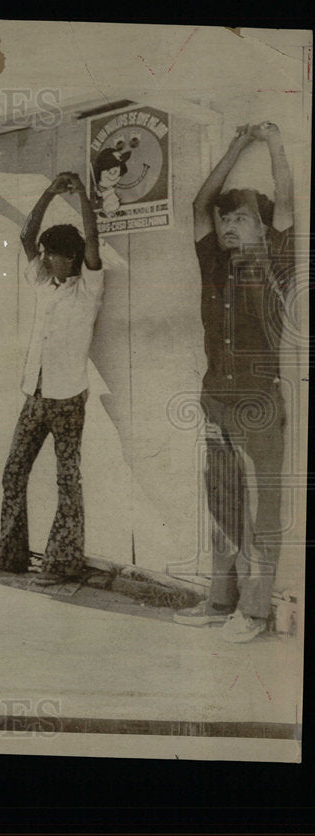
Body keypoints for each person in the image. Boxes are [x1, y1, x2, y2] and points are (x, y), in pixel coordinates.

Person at [173, 122, 294, 643]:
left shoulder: (277, 260)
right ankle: (220, 600)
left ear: (264, 228)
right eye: (226, 221)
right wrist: (234, 146)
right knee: (221, 501)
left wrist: (272, 144)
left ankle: (256, 610)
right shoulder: (212, 263)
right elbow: (199, 205)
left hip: (259, 401)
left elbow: (286, 200)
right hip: (215, 399)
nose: (226, 226)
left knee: (263, 509)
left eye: (240, 219)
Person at [0, 171, 104, 585]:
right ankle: (9, 553)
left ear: (73, 258)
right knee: (14, 471)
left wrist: (83, 194)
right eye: (46, 253)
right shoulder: (43, 283)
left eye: (55, 254)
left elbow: (92, 238)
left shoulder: (87, 288)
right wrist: (49, 193)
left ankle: (62, 564)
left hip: (68, 398)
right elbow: (25, 237)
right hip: (34, 394)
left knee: (68, 481)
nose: (46, 259)